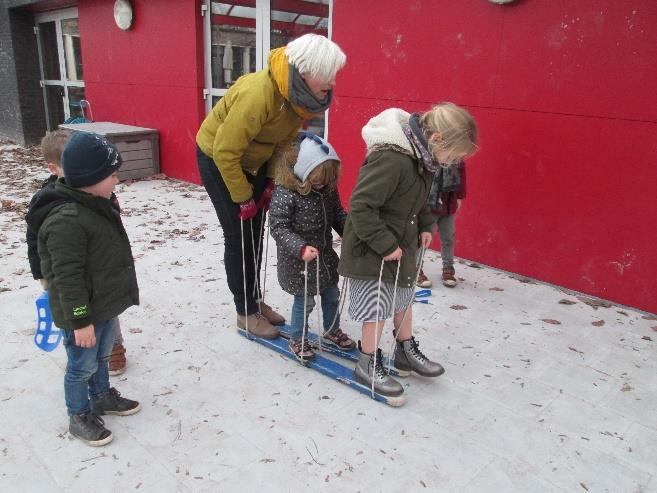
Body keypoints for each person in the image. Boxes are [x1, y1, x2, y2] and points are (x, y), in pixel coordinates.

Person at [196, 33, 346, 340]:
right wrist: (242, 197)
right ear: (304, 71)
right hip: (219, 160)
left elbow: (279, 145)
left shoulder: (297, 98)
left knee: (255, 236)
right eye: (327, 75)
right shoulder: (259, 93)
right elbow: (225, 151)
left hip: (254, 162)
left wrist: (267, 184)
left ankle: (254, 301)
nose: (331, 83)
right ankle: (245, 313)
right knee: (239, 238)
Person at [338, 103, 478, 397]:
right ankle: (367, 362)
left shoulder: (423, 158)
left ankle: (404, 351)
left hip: (401, 247)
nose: (450, 162)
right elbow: (361, 206)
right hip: (372, 249)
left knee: (403, 298)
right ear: (437, 137)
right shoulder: (392, 158)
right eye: (451, 156)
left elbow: (419, 199)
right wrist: (385, 244)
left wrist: (427, 224)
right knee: (376, 307)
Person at [30, 132, 140, 446]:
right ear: (91, 179)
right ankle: (78, 414)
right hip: (82, 313)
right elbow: (67, 277)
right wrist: (80, 320)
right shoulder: (67, 220)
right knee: (81, 366)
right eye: (112, 175)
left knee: (101, 357)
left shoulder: (95, 203)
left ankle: (102, 395)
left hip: (102, 304)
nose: (117, 180)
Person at [26, 130, 130, 376]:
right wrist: (40, 272)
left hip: (100, 271)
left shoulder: (98, 192)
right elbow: (34, 238)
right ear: (54, 168)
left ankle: (114, 347)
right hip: (68, 270)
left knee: (107, 309)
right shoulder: (47, 202)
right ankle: (79, 356)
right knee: (74, 308)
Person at [269, 132, 355, 361]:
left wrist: (350, 233)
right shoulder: (286, 192)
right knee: (305, 302)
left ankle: (332, 329)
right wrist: (300, 248)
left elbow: (337, 214)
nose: (322, 184)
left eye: (327, 179)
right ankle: (298, 338)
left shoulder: (325, 188)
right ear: (303, 171)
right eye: (317, 179)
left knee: (332, 295)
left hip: (325, 257)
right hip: (299, 262)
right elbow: (278, 227)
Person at [416, 160, 467, 288]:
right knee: (423, 239)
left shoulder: (457, 155)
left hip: (448, 205)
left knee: (448, 238)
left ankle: (448, 268)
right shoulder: (430, 155)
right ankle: (416, 269)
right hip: (430, 206)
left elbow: (462, 176)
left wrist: (460, 196)